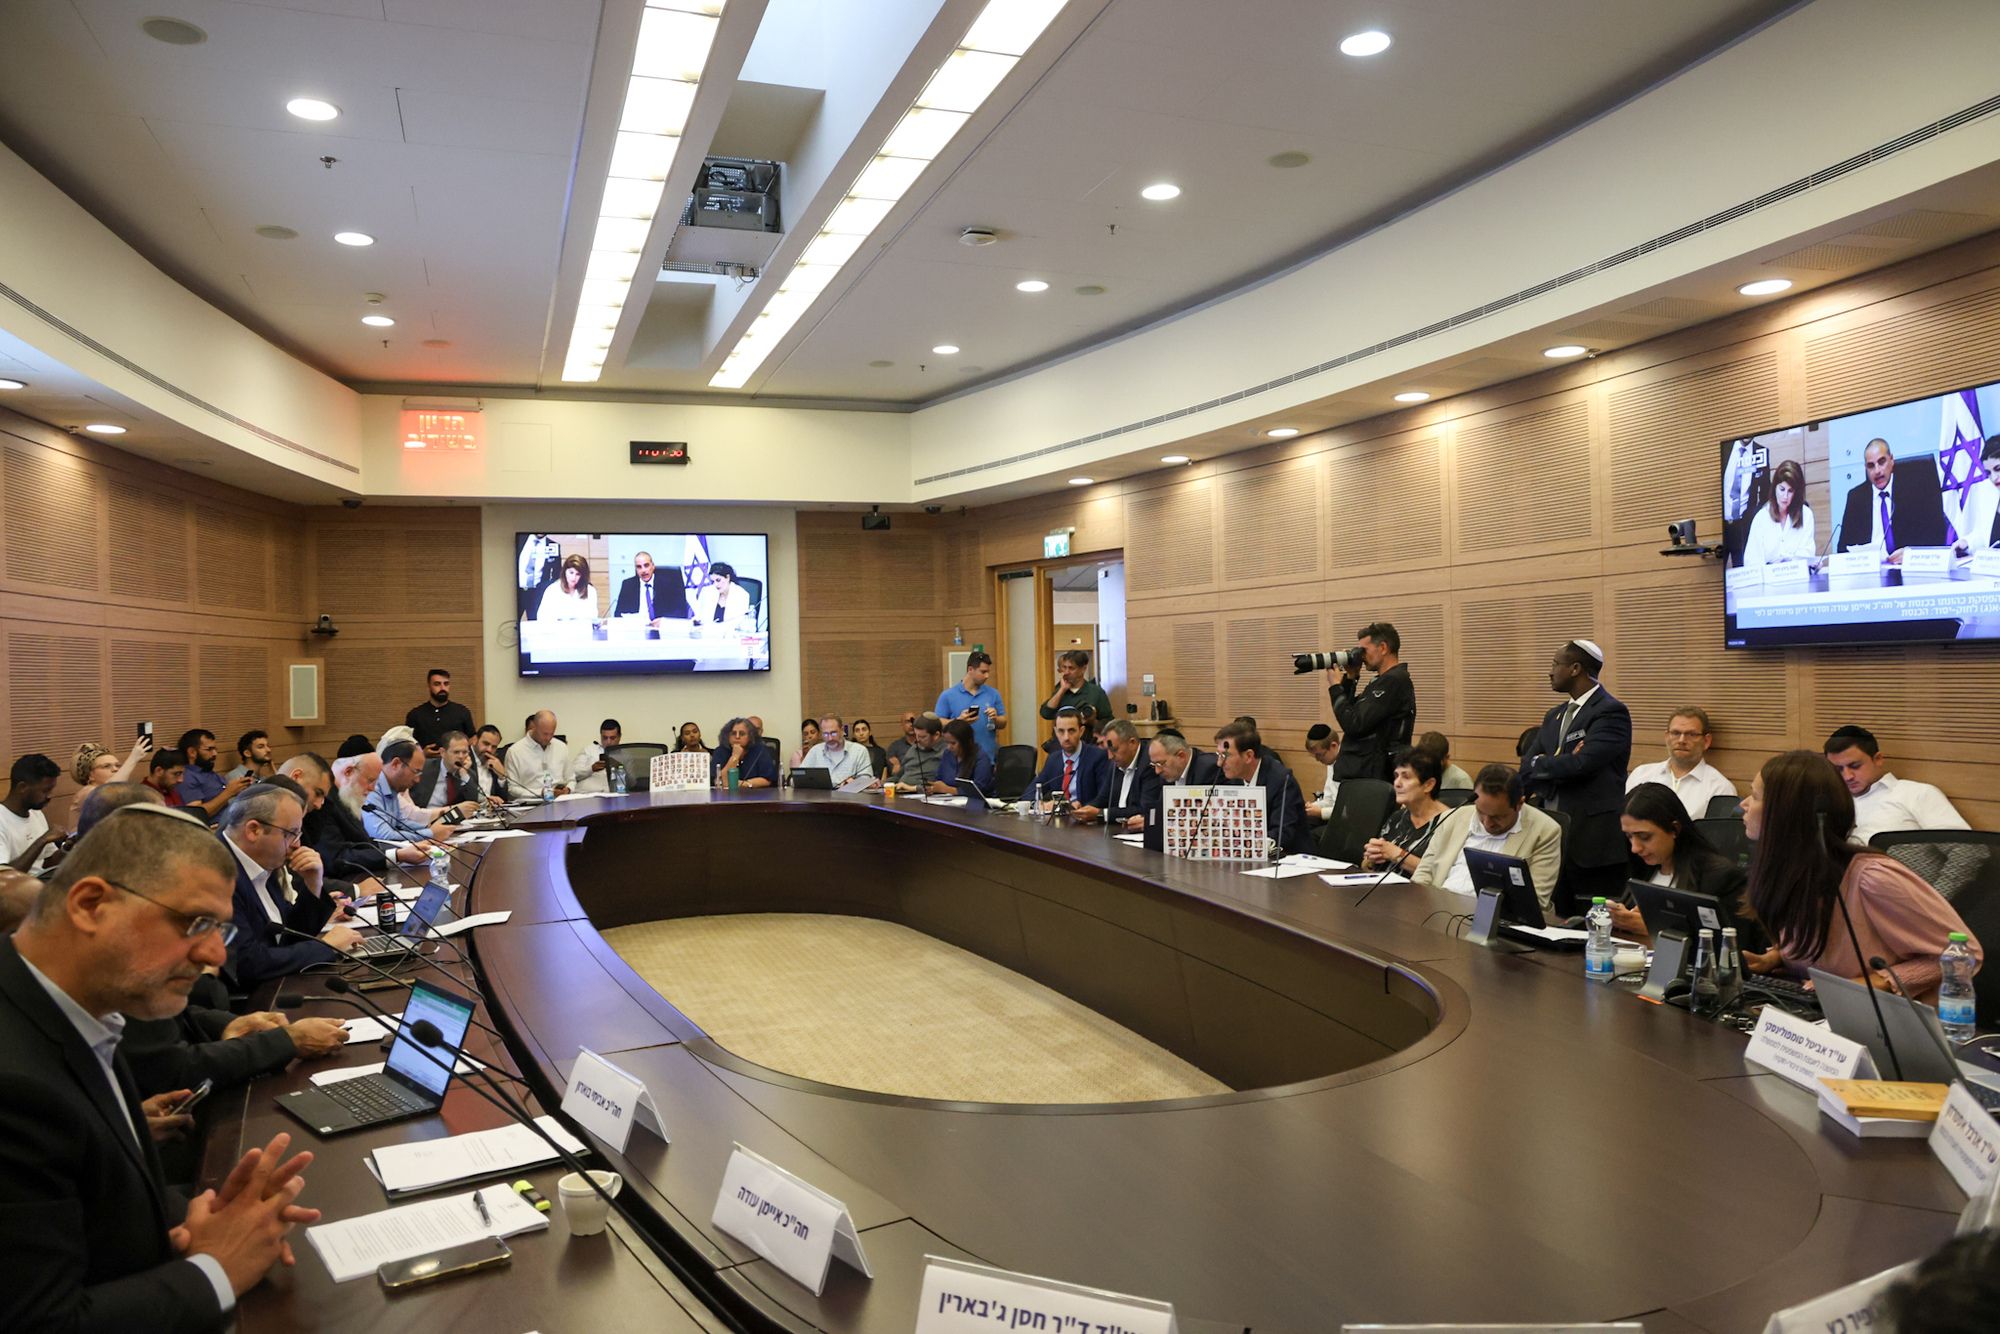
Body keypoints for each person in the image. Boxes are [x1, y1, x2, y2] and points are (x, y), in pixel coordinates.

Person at [0, 803, 323, 1331]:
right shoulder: (14, 1088)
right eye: (196, 923)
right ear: (90, 905)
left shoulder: (80, 1010)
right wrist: (217, 1270)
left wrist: (207, 1215)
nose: (215, 955)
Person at [1739, 750, 1980, 1004]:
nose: (1743, 804)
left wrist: (1872, 983)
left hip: (1881, 1019)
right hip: (1818, 1012)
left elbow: (1966, 953)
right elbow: (1826, 951)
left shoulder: (1872, 877)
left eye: (1755, 796)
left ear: (1785, 812)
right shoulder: (1794, 871)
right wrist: (1776, 957)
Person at [1520, 638, 1633, 903]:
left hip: (1592, 845)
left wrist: (1545, 763)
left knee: (1592, 920)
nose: (1550, 672)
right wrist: (1559, 761)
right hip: (1551, 837)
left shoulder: (1610, 712)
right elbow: (1526, 765)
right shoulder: (1554, 715)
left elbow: (1582, 765)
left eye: (1555, 664)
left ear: (1575, 669)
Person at [223, 784, 362, 990]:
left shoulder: (261, 857)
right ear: (254, 830)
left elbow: (289, 936)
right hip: (252, 998)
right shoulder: (219, 873)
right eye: (291, 833)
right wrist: (326, 947)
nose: (297, 844)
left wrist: (313, 884)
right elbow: (248, 963)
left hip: (279, 984)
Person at [1413, 764, 1565, 919]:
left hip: (1495, 920)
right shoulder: (1453, 817)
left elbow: (1535, 902)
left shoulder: (1545, 831)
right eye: (1480, 812)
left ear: (1519, 804)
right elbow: (1424, 873)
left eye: (1497, 817)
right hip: (1437, 910)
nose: (1487, 823)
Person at [1608, 782, 1753, 944]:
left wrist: (1656, 928)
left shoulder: (1718, 877)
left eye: (1644, 837)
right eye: (1629, 837)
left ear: (1674, 829)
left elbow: (1732, 945)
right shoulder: (1642, 870)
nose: (1635, 848)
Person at [1821, 724, 1969, 845]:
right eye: (1838, 769)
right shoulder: (1827, 803)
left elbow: (1965, 850)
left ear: (1878, 759)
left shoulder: (1916, 794)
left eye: (1855, 766)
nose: (1847, 776)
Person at [1328, 621, 1417, 783]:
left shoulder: (1394, 681)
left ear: (1383, 648)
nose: (1361, 656)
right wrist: (1350, 678)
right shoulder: (1382, 681)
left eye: (1364, 650)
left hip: (1375, 777)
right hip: (1366, 774)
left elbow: (1354, 724)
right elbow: (1350, 712)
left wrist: (1335, 687)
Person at [1837, 437, 1949, 559]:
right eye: (1871, 466)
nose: (1877, 471)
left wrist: (1910, 553)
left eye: (1881, 462)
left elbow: (1935, 535)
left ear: (1891, 460)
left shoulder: (1915, 490)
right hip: (1872, 567)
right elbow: (1843, 549)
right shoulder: (1856, 498)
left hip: (1906, 565)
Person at [1215, 723, 1311, 856]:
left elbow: (1283, 832)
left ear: (1248, 756)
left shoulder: (1282, 780)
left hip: (1287, 858)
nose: (1219, 763)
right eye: (1219, 755)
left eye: (1226, 756)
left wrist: (1250, 846)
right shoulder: (1232, 779)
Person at [1625, 706, 1738, 815]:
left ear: (1706, 741)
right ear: (1667, 737)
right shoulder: (1641, 775)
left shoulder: (1719, 788)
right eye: (1676, 733)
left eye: (1691, 734)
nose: (1681, 740)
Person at [1361, 748, 1449, 877]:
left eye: (1406, 777)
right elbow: (1368, 864)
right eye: (1396, 776)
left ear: (1428, 785)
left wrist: (1397, 854)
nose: (1397, 783)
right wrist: (1371, 859)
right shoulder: (1397, 817)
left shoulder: (1449, 822)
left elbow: (1440, 874)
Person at [364, 740, 452, 844]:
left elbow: (401, 822)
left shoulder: (392, 788)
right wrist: (430, 833)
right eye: (416, 772)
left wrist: (429, 827)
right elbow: (383, 836)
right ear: (396, 764)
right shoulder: (371, 788)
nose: (417, 780)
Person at [1739, 458, 1816, 566]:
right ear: (1774, 487)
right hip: (1768, 575)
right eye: (1782, 489)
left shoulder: (1806, 515)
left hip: (1796, 574)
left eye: (1790, 491)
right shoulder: (1761, 517)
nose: (1785, 496)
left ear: (1796, 493)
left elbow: (1808, 554)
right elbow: (1751, 561)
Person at [937, 650, 1008, 761]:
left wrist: (996, 718)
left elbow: (1003, 722)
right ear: (970, 670)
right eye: (983, 672)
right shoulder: (948, 695)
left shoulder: (993, 694)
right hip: (959, 759)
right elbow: (938, 723)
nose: (987, 676)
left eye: (988, 672)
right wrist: (958, 721)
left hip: (987, 758)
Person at [1035, 709, 1111, 810]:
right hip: (1058, 818)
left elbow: (1105, 797)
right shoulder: (1053, 759)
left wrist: (1080, 807)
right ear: (1056, 732)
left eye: (1071, 731)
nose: (1066, 737)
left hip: (1086, 817)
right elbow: (1034, 790)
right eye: (1061, 731)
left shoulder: (1098, 756)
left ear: (1081, 731)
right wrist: (1039, 804)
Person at [2, 753, 65, 872]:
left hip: (42, 880)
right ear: (22, 787)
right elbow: (5, 875)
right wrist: (42, 840)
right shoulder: (2, 820)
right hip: (17, 883)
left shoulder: (36, 814)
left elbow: (46, 862)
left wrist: (67, 848)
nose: (49, 796)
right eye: (45, 791)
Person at [173, 729, 252, 821]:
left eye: (215, 749)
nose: (215, 753)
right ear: (192, 752)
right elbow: (196, 814)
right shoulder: (186, 777)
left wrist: (238, 789)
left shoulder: (207, 771)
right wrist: (229, 792)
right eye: (209, 749)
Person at [415, 731, 499, 808]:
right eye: (456, 752)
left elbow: (473, 801)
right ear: (442, 752)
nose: (461, 756)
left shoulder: (468, 774)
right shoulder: (424, 768)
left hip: (452, 818)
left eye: (465, 752)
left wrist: (464, 774)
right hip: (425, 815)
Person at [1950, 432, 2000, 553]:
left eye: (1998, 469)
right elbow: (1983, 535)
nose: (1993, 478)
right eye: (1988, 473)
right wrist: (1966, 543)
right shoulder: (1988, 491)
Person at [1038, 650, 1113, 729]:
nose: (1066, 672)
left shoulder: (1096, 692)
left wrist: (1092, 721)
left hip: (1087, 735)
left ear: (1083, 669)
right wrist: (1062, 690)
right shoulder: (1059, 690)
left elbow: (1108, 725)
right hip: (1062, 735)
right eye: (1064, 667)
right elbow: (1046, 714)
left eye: (1071, 668)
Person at [405, 668, 476, 751]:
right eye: (437, 684)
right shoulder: (415, 715)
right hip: (425, 759)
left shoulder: (462, 712)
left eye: (446, 684)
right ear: (429, 686)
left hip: (456, 758)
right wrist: (422, 754)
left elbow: (472, 739)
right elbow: (408, 745)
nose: (442, 688)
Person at [612, 549, 691, 622]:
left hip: (661, 629)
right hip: (638, 629)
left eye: (646, 565)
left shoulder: (668, 584)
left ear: (653, 566)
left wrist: (663, 621)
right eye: (639, 567)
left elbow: (680, 611)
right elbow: (618, 615)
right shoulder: (628, 585)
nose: (643, 570)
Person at [505, 710, 572, 796]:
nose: (548, 738)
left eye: (551, 734)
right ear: (534, 727)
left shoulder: (561, 747)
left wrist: (568, 789)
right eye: (545, 734)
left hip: (561, 800)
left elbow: (571, 779)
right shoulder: (515, 752)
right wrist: (541, 793)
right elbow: (512, 789)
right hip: (532, 801)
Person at [799, 714, 873, 786]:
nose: (830, 738)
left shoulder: (859, 751)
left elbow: (866, 779)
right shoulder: (815, 751)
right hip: (822, 794)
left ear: (842, 730)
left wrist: (853, 783)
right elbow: (799, 777)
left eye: (833, 733)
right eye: (826, 734)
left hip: (850, 793)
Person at [931, 719, 995, 795]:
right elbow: (939, 779)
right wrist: (933, 788)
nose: (949, 747)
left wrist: (947, 789)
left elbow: (979, 789)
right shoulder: (947, 754)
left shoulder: (981, 758)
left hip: (973, 801)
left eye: (953, 743)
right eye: (947, 743)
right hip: (946, 799)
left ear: (966, 742)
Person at [712, 717, 778, 788]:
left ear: (750, 736)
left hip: (754, 793)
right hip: (725, 794)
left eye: (742, 734)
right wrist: (735, 757)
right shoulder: (720, 751)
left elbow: (767, 779)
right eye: (733, 733)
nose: (737, 737)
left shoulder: (760, 750)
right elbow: (721, 782)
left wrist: (746, 784)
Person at [536, 552, 597, 621]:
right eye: (571, 573)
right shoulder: (552, 590)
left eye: (578, 574)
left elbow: (593, 617)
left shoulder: (590, 591)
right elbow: (542, 617)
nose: (573, 578)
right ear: (565, 571)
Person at [74, 737, 153, 791]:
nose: (115, 769)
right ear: (90, 775)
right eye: (106, 766)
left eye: (118, 765)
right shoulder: (86, 792)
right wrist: (133, 758)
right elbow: (112, 787)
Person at [691, 560, 753, 626]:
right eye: (713, 581)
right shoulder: (707, 592)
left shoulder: (741, 595)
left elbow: (740, 624)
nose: (715, 585)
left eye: (718, 580)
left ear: (728, 577)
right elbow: (699, 617)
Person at [897, 714, 949, 790]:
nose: (917, 740)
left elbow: (940, 786)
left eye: (922, 737)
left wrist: (911, 788)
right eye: (916, 735)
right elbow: (898, 776)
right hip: (900, 791)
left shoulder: (946, 752)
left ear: (936, 735)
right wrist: (884, 784)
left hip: (922, 794)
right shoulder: (914, 749)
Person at [571, 719, 623, 794]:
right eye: (605, 738)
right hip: (586, 794)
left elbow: (633, 782)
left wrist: (619, 767)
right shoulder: (588, 750)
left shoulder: (625, 754)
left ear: (619, 737)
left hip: (613, 795)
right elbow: (573, 773)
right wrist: (591, 768)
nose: (608, 742)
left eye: (612, 738)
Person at [1302, 726, 1340, 821]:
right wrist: (1312, 807)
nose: (1317, 759)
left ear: (1334, 746)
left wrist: (1321, 812)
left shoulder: (1350, 767)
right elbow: (1329, 800)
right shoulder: (1331, 763)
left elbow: (1348, 811)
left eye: (1319, 755)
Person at [472, 724, 513, 799]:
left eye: (494, 747)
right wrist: (486, 800)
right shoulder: (463, 759)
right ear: (475, 740)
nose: (489, 750)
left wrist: (502, 777)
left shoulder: (495, 762)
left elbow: (504, 797)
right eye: (486, 744)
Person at [885, 711, 919, 779]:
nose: (911, 724)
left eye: (913, 721)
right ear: (902, 725)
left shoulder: (925, 744)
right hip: (902, 781)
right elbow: (894, 772)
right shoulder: (894, 747)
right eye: (907, 722)